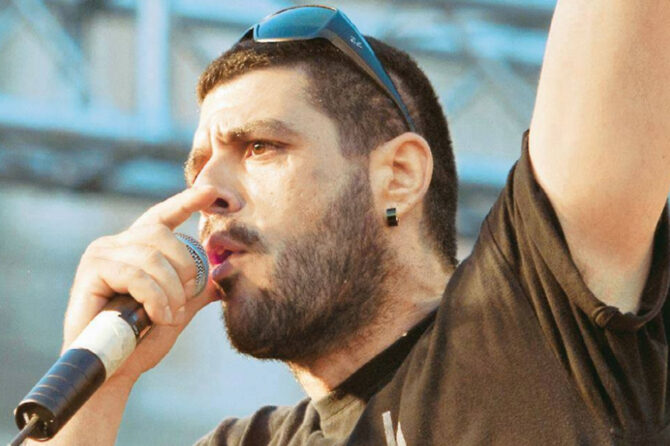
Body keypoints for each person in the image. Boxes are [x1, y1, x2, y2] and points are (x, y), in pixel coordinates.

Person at [34, 2, 670, 444]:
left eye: (259, 147)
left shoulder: (537, 323)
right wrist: (98, 384)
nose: (207, 195)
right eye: (197, 167)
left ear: (398, 176)